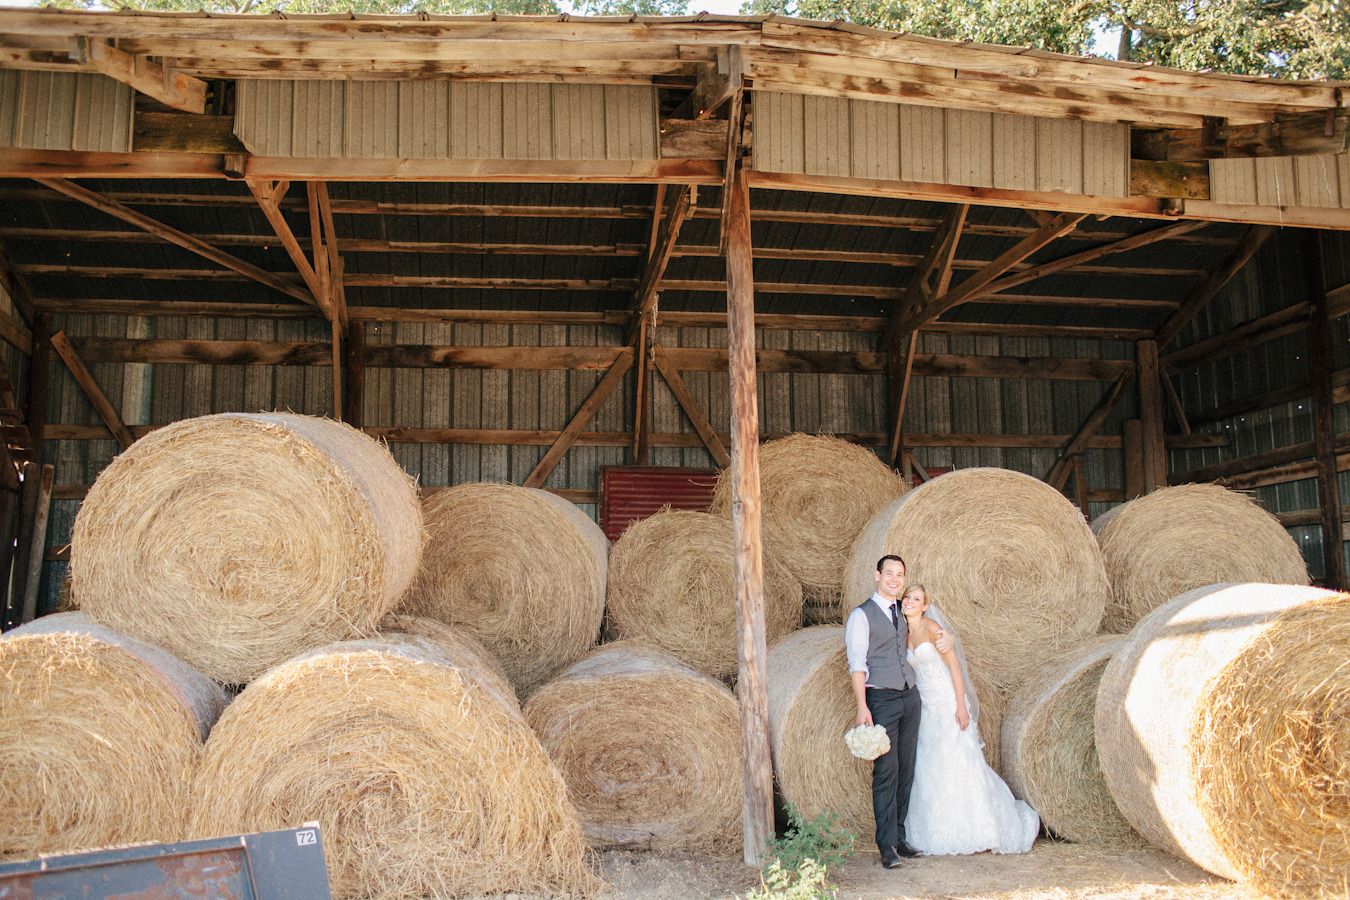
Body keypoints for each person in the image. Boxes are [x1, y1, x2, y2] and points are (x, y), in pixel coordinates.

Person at [899, 583, 1039, 855]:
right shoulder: (903, 632)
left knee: (958, 758)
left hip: (947, 701)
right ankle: (933, 829)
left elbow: (954, 667)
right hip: (925, 705)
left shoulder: (933, 629)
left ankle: (979, 826)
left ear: (925, 605)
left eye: (916, 598)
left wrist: (961, 706)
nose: (910, 601)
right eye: (907, 597)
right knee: (930, 762)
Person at [844, 554, 950, 869]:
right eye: (888, 573)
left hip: (910, 697)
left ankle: (900, 837)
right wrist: (862, 705)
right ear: (876, 575)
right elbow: (857, 663)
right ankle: (886, 844)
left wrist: (948, 637)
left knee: (906, 769)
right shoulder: (861, 616)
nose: (894, 579)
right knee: (887, 772)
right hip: (882, 700)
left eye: (899, 574)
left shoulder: (903, 612)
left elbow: (930, 633)